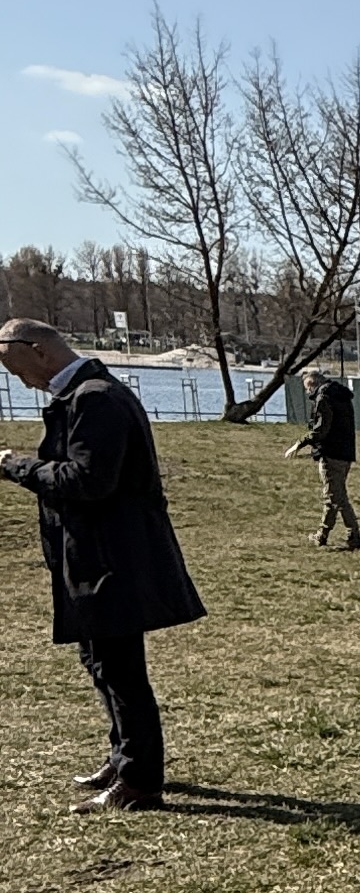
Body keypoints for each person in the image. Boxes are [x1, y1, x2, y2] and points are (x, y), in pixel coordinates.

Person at [0, 319, 205, 810]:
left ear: (38, 350)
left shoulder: (96, 399)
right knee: (100, 663)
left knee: (121, 671)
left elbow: (88, 480)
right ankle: (124, 757)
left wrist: (16, 465)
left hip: (113, 560)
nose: (20, 383)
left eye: (17, 370)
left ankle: (139, 783)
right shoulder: (84, 395)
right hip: (96, 556)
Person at [292, 367, 360, 547]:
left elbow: (321, 429)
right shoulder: (342, 395)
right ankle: (330, 535)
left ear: (312, 384)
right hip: (346, 452)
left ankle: (347, 535)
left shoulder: (323, 398)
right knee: (337, 495)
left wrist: (300, 443)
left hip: (331, 452)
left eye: (307, 389)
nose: (308, 393)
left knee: (334, 497)